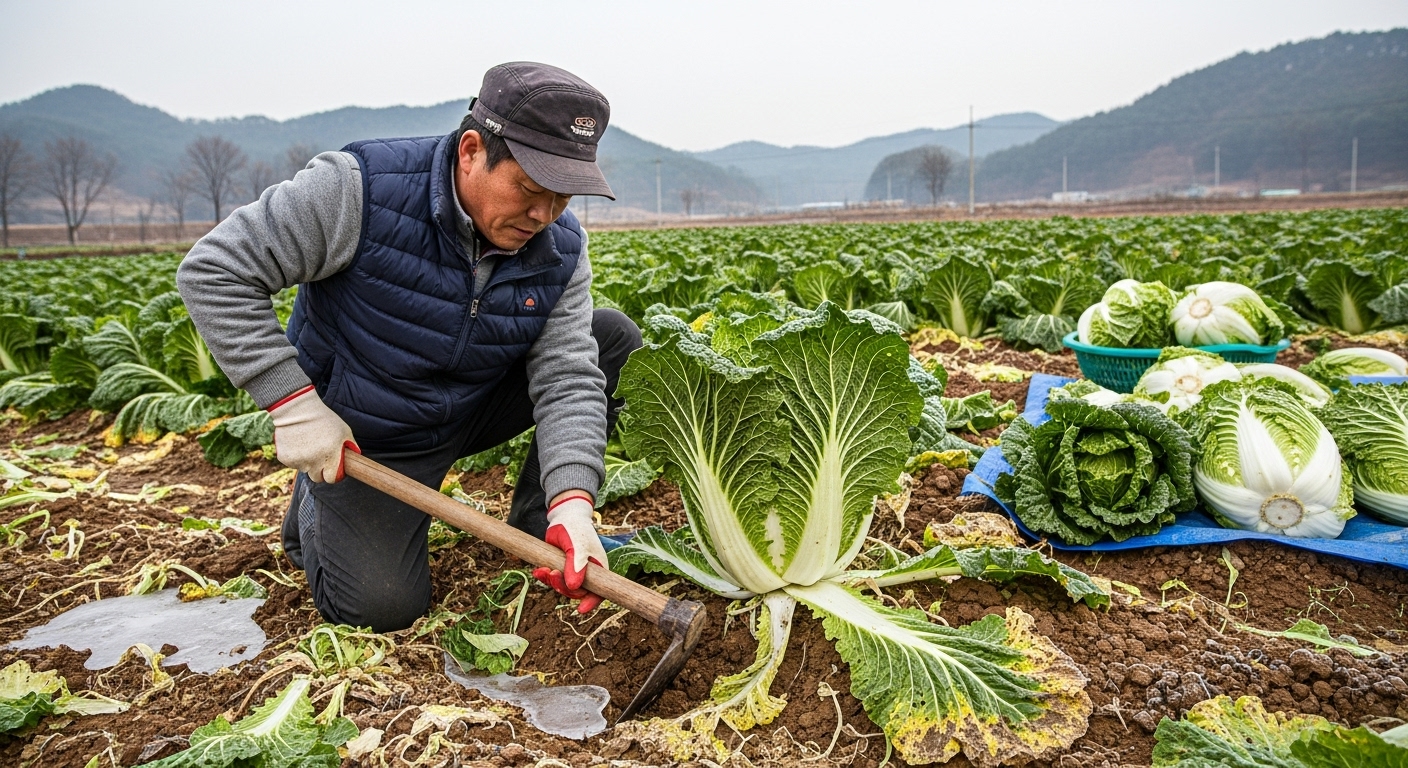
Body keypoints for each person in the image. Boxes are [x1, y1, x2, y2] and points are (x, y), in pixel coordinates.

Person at [177, 62, 635, 632]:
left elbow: (567, 376)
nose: (544, 215)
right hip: (369, 436)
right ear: (471, 150)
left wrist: (573, 500)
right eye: (530, 189)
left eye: (564, 197)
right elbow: (214, 270)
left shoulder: (560, 246)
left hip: (470, 405)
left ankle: (543, 527)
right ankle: (315, 512)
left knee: (610, 338)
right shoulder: (357, 190)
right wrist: (293, 404)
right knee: (383, 608)